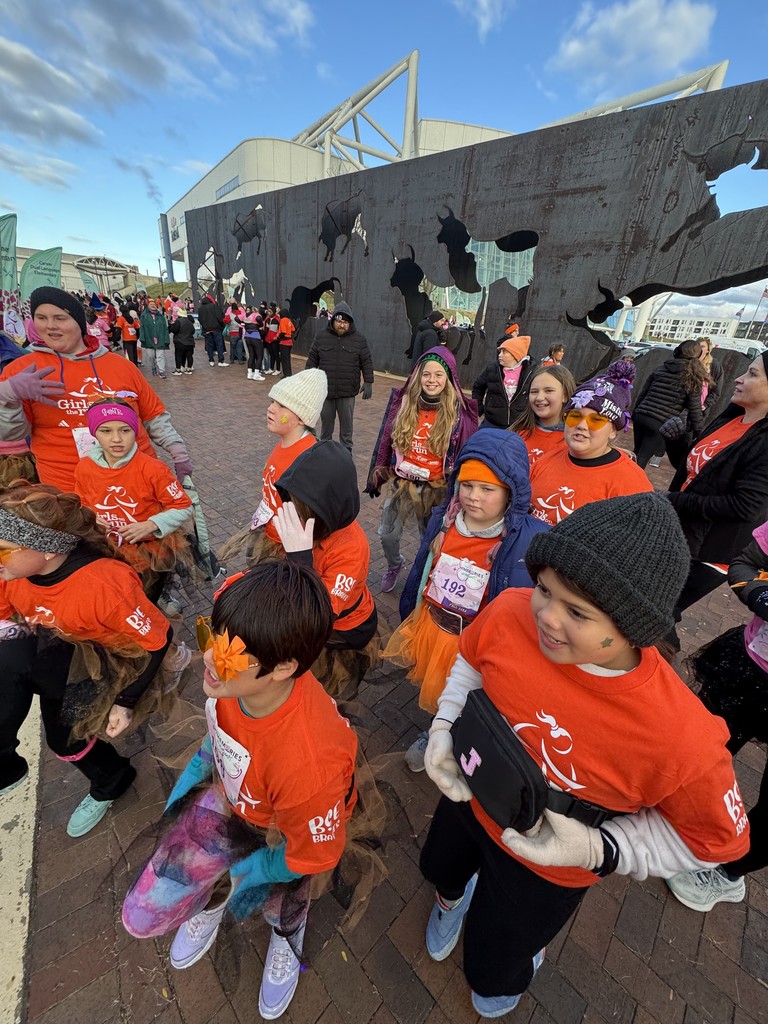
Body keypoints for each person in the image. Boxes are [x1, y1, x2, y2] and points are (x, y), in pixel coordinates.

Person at [419, 493, 748, 1018]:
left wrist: (601, 849)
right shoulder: (509, 613)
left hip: (550, 865)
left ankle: (507, 975)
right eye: (545, 589)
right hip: (470, 794)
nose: (547, 617)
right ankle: (450, 900)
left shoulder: (681, 736)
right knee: (441, 869)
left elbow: (711, 844)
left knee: (494, 968)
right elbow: (473, 661)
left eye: (577, 611)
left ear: (632, 627)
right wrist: (445, 725)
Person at [121, 560, 359, 1020]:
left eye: (229, 655)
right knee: (171, 887)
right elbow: (221, 737)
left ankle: (287, 932)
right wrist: (194, 778)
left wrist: (246, 870)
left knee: (283, 896)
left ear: (284, 666)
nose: (207, 658)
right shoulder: (240, 687)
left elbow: (314, 854)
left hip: (287, 833)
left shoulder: (306, 768)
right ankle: (210, 901)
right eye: (212, 635)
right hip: (243, 796)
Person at [0, 482, 177, 836]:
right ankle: (109, 776)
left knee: (61, 733)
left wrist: (126, 701)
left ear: (47, 550)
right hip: (57, 654)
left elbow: (159, 640)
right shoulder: (12, 574)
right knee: (60, 736)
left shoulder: (105, 585)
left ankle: (108, 781)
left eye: (3, 550)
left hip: (108, 661)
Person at [390, 428, 548, 771]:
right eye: (466, 485)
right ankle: (435, 728)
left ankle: (463, 735)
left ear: (511, 494)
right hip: (435, 627)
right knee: (438, 688)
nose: (473, 497)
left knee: (472, 696)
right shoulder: (443, 523)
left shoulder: (525, 542)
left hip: (475, 641)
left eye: (487, 489)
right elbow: (422, 571)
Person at [0, 287, 194, 493]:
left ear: (78, 322)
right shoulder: (23, 370)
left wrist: (178, 451)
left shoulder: (120, 365)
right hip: (70, 491)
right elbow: (12, 433)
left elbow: (153, 416)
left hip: (138, 481)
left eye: (60, 318)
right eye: (41, 317)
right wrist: (6, 397)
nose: (50, 326)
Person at [666, 521, 768, 911]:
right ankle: (674, 811)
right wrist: (761, 596)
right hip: (750, 667)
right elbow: (745, 562)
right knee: (703, 744)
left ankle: (729, 874)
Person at [664, 354, 768, 647]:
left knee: (660, 613)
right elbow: (697, 474)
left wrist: (676, 500)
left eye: (752, 374)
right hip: (681, 533)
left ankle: (661, 674)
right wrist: (676, 441)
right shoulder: (732, 418)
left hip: (710, 552)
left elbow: (744, 506)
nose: (738, 378)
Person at [366, 348, 478, 593]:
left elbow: (465, 455)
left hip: (435, 488)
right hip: (402, 483)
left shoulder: (458, 414)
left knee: (428, 540)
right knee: (387, 534)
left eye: (439, 375)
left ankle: (422, 575)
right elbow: (384, 440)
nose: (432, 380)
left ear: (449, 378)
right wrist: (377, 474)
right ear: (418, 376)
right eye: (427, 374)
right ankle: (395, 565)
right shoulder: (404, 403)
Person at [273, 440, 379, 699]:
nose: (296, 518)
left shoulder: (351, 549)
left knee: (327, 691)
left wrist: (300, 560)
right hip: (310, 607)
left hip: (343, 628)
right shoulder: (310, 525)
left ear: (328, 512)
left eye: (303, 512)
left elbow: (320, 614)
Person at [73, 401, 193, 602]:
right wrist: (91, 516)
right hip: (106, 546)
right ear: (94, 433)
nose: (116, 439)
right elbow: (81, 502)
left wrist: (152, 524)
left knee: (146, 597)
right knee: (116, 594)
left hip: (148, 550)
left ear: (135, 431)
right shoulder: (84, 468)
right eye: (105, 430)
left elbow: (183, 506)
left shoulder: (153, 469)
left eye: (125, 430)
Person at [529, 360, 653, 525]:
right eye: (574, 416)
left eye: (596, 420)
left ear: (613, 430)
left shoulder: (632, 484)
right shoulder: (544, 462)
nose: (581, 425)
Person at [230, 369, 327, 566]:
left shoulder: (306, 459)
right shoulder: (285, 441)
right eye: (272, 401)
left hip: (283, 550)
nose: (271, 409)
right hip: (266, 533)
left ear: (302, 418)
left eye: (282, 405)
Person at [306, 302, 374, 453]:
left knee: (347, 427)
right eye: (338, 321)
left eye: (345, 322)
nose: (341, 325)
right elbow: (312, 360)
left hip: (347, 392)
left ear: (350, 322)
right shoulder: (321, 336)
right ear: (333, 321)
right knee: (326, 426)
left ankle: (346, 453)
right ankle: (324, 452)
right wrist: (307, 381)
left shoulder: (359, 339)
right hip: (326, 391)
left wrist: (369, 381)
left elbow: (367, 361)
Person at [631, 339, 709, 469]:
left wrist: (635, 413)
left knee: (636, 453)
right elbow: (695, 408)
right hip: (660, 422)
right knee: (643, 458)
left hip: (641, 416)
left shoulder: (660, 369)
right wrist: (699, 432)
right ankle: (629, 487)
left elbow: (643, 393)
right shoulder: (693, 377)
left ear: (677, 351)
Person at [508, 364, 576, 469]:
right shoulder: (516, 433)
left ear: (565, 395)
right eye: (534, 392)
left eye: (549, 390)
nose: (539, 397)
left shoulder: (575, 442)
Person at [472, 335, 536, 428]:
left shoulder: (531, 372)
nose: (499, 355)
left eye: (504, 352)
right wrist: (479, 408)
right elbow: (478, 387)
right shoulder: (492, 369)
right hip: (492, 422)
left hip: (519, 425)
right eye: (500, 351)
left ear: (515, 354)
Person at [139, 299, 171, 379]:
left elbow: (165, 328)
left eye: (154, 304)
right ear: (148, 306)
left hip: (160, 338)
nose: (153, 305)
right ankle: (153, 366)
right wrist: (142, 337)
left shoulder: (160, 316)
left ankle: (161, 371)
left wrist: (166, 338)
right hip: (149, 338)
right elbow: (142, 327)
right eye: (151, 304)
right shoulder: (144, 315)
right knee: (151, 356)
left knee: (160, 355)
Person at [197, 295, 228, 367]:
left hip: (206, 329)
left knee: (209, 345)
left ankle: (211, 360)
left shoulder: (200, 308)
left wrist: (204, 326)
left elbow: (200, 319)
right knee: (219, 345)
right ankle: (221, 361)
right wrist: (221, 325)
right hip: (216, 328)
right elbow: (220, 317)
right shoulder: (214, 306)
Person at [699, 337, 724, 419]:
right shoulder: (690, 362)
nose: (699, 348)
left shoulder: (714, 365)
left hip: (701, 409)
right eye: (698, 346)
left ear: (708, 350)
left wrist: (706, 404)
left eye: (702, 346)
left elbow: (717, 389)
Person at [168, 308, 196, 375]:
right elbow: (193, 331)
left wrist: (171, 325)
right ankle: (189, 369)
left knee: (178, 355)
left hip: (180, 341)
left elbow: (174, 330)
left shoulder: (178, 321)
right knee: (189, 356)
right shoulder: (189, 322)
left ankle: (178, 370)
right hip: (190, 342)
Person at [244, 308, 265, 381]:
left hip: (247, 336)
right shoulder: (256, 315)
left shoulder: (247, 316)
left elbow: (238, 319)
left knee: (251, 355)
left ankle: (250, 373)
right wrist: (261, 324)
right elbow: (259, 318)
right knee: (259, 356)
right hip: (255, 336)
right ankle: (256, 373)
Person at [277, 308, 296, 378]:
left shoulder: (283, 320)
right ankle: (289, 373)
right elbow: (293, 329)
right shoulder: (289, 320)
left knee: (284, 359)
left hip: (284, 342)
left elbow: (283, 331)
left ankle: (286, 374)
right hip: (289, 342)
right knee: (288, 358)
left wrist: (278, 337)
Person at [263, 305, 280, 375]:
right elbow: (265, 329)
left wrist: (277, 337)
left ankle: (278, 370)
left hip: (274, 340)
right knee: (271, 355)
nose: (268, 313)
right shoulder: (267, 319)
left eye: (270, 311)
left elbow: (280, 330)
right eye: (268, 311)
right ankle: (271, 368)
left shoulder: (278, 319)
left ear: (274, 312)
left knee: (276, 355)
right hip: (268, 340)